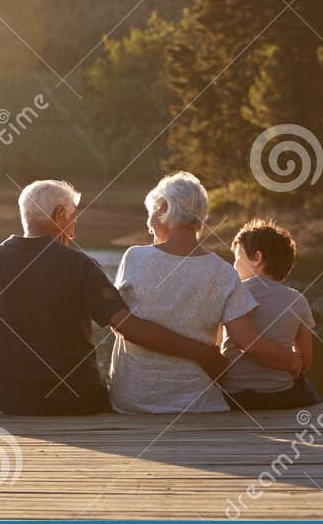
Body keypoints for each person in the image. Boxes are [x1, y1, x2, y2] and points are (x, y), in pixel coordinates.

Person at [0, 179, 227, 415]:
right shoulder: (80, 265)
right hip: (81, 402)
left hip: (13, 403)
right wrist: (202, 353)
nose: (74, 229)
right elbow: (128, 326)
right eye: (73, 218)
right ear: (60, 216)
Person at [108, 173, 301, 414]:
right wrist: (292, 361)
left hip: (133, 401)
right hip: (196, 403)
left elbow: (120, 323)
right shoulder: (223, 272)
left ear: (164, 208)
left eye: (150, 213)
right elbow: (247, 341)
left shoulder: (134, 257)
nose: (148, 225)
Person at [221, 219, 322, 410]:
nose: (233, 266)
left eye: (236, 258)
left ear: (257, 258)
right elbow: (306, 361)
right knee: (308, 390)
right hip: (280, 396)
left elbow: (218, 349)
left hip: (234, 398)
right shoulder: (297, 300)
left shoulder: (230, 294)